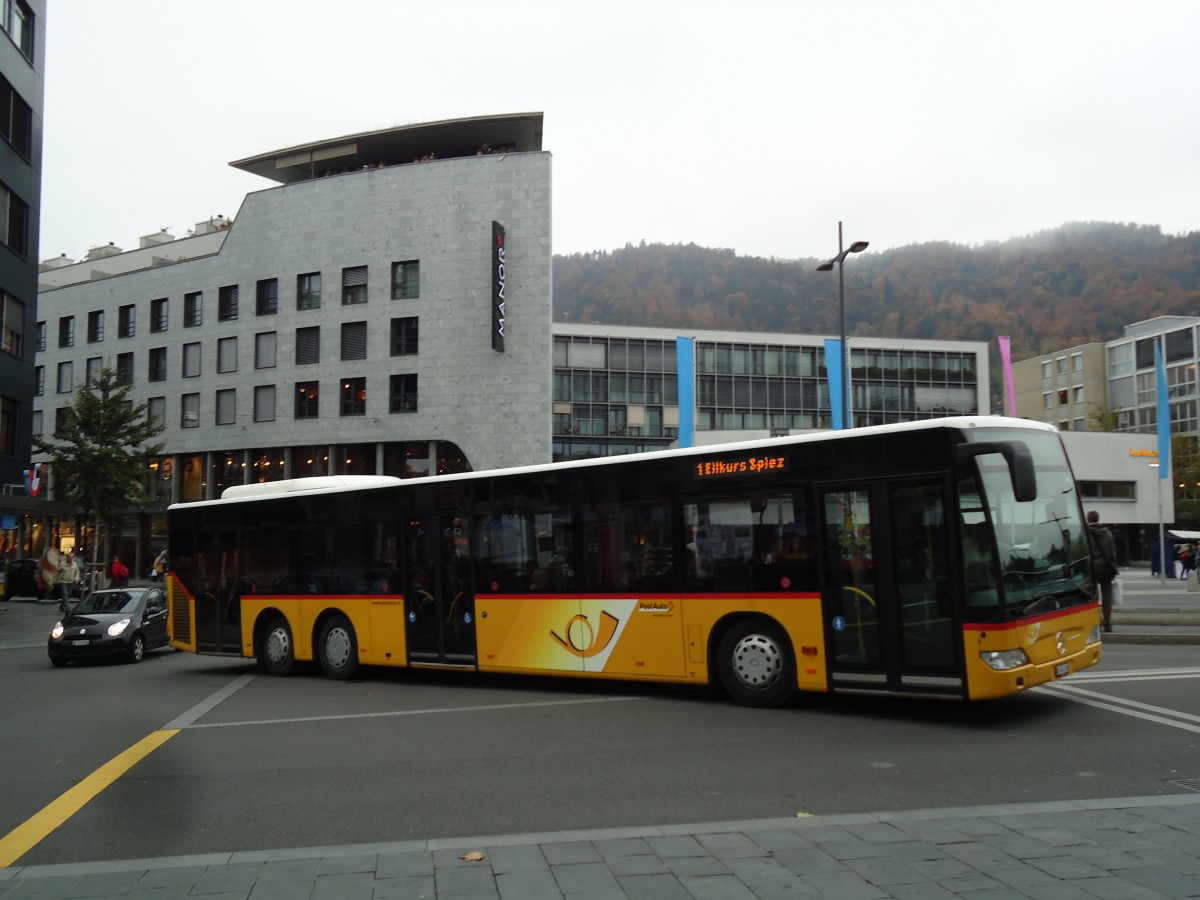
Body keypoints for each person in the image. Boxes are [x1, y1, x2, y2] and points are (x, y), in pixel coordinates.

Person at [1086, 511, 1118, 632]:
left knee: (1093, 596)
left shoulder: (1086, 533)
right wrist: (1113, 566)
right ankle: (1108, 623)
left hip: (1092, 568)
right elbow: (1113, 551)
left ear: (1088, 519)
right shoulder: (1107, 533)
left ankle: (1098, 622)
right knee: (1107, 596)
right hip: (1106, 567)